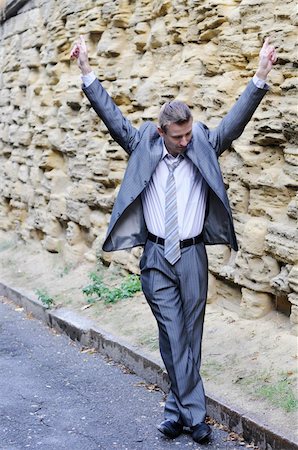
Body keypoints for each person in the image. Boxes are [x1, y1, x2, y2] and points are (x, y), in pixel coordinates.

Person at [70, 36, 277, 444]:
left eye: (189, 134)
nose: (186, 142)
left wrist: (260, 76)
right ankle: (196, 416)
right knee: (173, 330)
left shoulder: (203, 142)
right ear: (162, 130)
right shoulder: (141, 143)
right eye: (178, 136)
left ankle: (174, 411)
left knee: (187, 335)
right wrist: (86, 72)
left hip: (192, 255)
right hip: (155, 256)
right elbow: (112, 116)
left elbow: (234, 122)